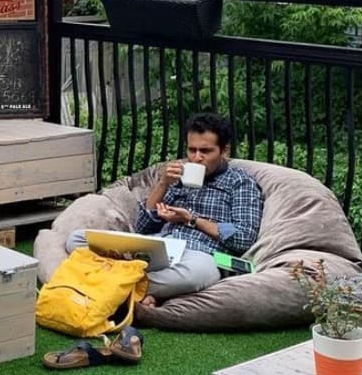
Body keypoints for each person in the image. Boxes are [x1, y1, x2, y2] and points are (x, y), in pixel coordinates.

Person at [66, 111, 263, 306]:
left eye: (205, 151)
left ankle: (105, 283)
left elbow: (243, 238)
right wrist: (163, 184)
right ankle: (133, 289)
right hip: (160, 246)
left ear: (224, 151)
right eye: (191, 150)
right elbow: (143, 226)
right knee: (77, 238)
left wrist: (191, 219)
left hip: (200, 254)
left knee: (196, 276)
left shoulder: (240, 182)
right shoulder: (179, 175)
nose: (196, 158)